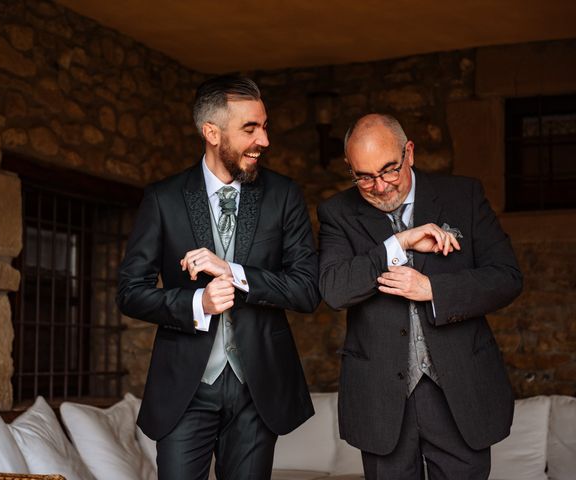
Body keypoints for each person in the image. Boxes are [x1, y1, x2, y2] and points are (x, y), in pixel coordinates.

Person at [117, 75, 319, 480]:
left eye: (265, 127)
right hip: (185, 390)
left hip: (257, 386)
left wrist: (235, 273)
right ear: (211, 132)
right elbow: (130, 292)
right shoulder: (164, 198)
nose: (264, 140)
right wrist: (197, 304)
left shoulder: (283, 195)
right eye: (250, 129)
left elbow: (307, 289)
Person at [317, 113, 523, 479]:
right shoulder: (337, 213)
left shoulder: (464, 196)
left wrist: (432, 290)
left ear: (409, 152)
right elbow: (335, 289)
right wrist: (396, 244)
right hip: (380, 399)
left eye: (389, 170)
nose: (380, 187)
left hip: (460, 391)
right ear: (350, 168)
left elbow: (506, 278)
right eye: (364, 177)